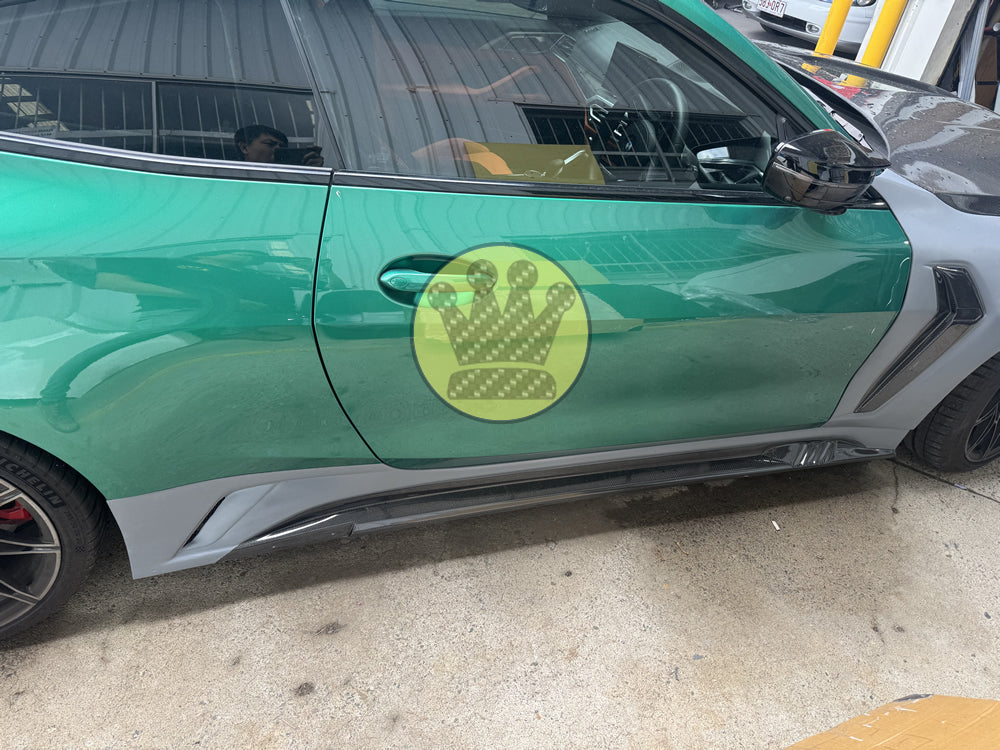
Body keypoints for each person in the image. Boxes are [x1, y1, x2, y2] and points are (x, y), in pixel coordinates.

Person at [234, 124, 324, 166]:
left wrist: (314, 171)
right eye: (270, 144)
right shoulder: (230, 176)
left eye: (282, 148)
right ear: (244, 148)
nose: (277, 148)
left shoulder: (291, 177)